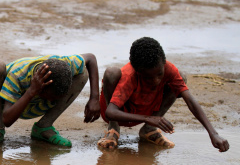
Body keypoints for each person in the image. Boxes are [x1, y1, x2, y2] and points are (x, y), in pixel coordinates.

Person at [97, 37, 229, 152]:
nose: (156, 80)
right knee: (112, 72)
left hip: (148, 112)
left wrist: (213, 133)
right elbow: (110, 112)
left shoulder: (169, 69)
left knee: (180, 78)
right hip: (120, 113)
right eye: (148, 78)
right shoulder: (130, 75)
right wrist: (147, 118)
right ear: (138, 71)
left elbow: (190, 100)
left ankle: (148, 130)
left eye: (159, 74)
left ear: (163, 62)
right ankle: (113, 129)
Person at [0, 53, 101, 147]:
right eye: (51, 98)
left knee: (83, 73)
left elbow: (90, 58)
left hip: (37, 102)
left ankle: (43, 127)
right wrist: (31, 91)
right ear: (41, 90)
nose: (53, 101)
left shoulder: (66, 64)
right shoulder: (18, 75)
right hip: (13, 105)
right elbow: (7, 120)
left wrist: (94, 98)